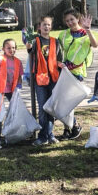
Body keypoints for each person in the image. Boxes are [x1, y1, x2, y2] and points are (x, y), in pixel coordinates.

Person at [58, 7, 98, 140]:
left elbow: (95, 44)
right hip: (63, 70)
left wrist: (88, 29)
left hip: (76, 72)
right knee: (63, 101)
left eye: (72, 19)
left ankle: (73, 127)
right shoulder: (63, 35)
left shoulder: (85, 34)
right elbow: (58, 51)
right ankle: (69, 128)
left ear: (78, 19)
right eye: (67, 21)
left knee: (68, 101)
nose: (70, 22)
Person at [26, 16, 63, 146]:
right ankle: (42, 137)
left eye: (48, 25)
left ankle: (50, 134)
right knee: (43, 108)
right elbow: (29, 50)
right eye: (43, 25)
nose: (46, 27)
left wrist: (63, 66)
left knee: (51, 108)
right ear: (39, 27)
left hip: (53, 79)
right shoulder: (36, 40)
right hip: (40, 79)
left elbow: (59, 60)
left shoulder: (56, 41)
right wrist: (28, 39)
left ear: (51, 26)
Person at [0, 38, 23, 150]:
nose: (11, 50)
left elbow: (19, 76)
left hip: (12, 90)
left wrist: (19, 86)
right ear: (3, 49)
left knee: (15, 112)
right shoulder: (2, 59)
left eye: (13, 47)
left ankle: (11, 134)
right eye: (8, 48)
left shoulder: (18, 61)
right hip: (0, 91)